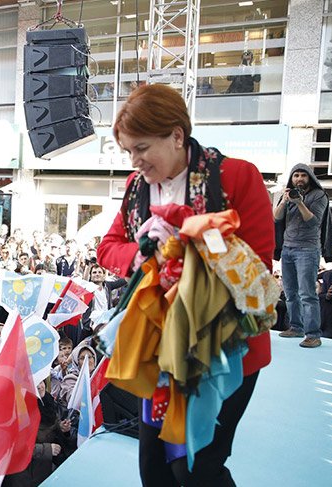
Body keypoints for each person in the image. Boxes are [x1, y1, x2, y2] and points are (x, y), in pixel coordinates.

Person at [96, 84, 274, 486]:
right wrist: (144, 255)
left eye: (141, 148)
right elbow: (108, 249)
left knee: (197, 467)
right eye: (128, 152)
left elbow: (260, 269)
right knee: (154, 467)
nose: (135, 160)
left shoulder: (235, 177)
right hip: (159, 352)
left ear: (177, 135)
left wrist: (189, 248)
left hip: (225, 351)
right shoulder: (137, 187)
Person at [275, 164, 332, 348]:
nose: (299, 179)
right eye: (296, 175)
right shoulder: (287, 193)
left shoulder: (319, 195)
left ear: (310, 178)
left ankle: (313, 334)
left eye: (303, 175)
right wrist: (285, 201)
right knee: (290, 292)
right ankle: (296, 327)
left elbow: (313, 221)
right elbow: (276, 218)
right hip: (288, 248)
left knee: (307, 294)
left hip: (308, 250)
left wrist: (300, 203)